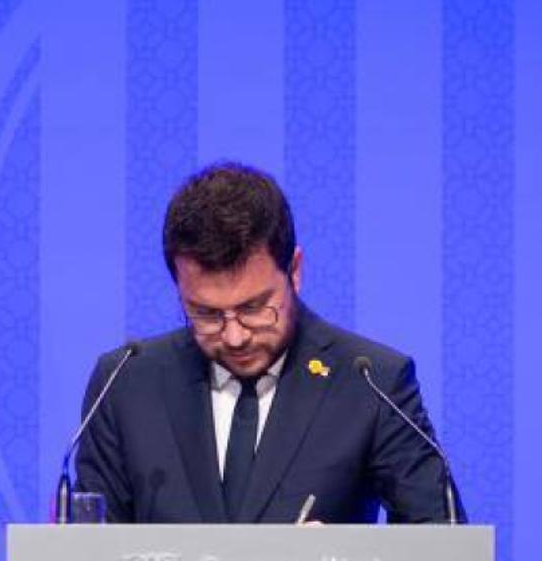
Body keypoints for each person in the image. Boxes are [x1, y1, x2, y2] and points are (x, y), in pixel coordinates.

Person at [74, 162, 463, 524]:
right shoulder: (126, 384)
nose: (234, 336)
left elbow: (442, 550)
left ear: (294, 271)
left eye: (255, 308)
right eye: (206, 314)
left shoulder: (371, 383)